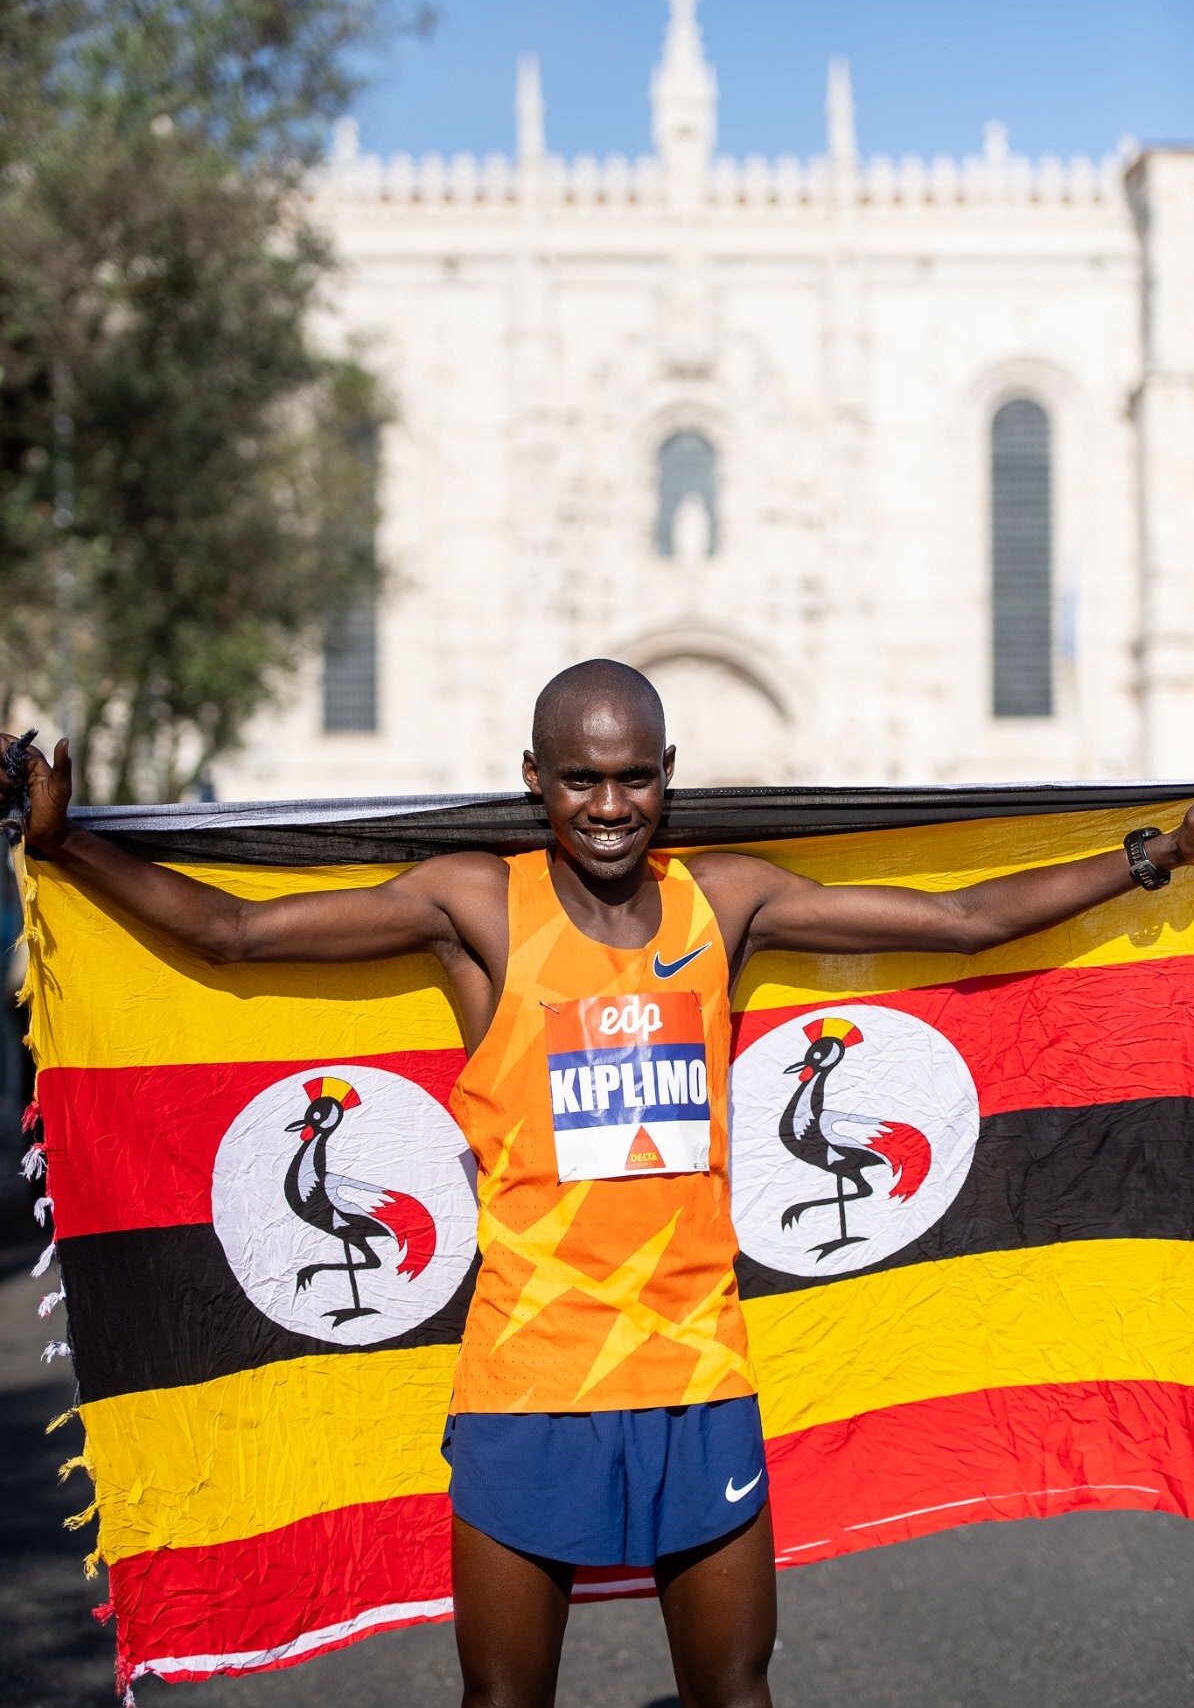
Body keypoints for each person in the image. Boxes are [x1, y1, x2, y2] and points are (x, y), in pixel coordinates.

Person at [4, 658, 1191, 1708]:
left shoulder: (725, 900)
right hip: (528, 1387)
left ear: (669, 771)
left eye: (632, 777)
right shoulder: (478, 906)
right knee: (502, 1695)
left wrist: (1154, 857)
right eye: (581, 779)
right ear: (535, 777)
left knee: (735, 1687)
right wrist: (67, 847)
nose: (610, 806)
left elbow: (965, 918)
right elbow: (237, 936)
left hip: (697, 1378)